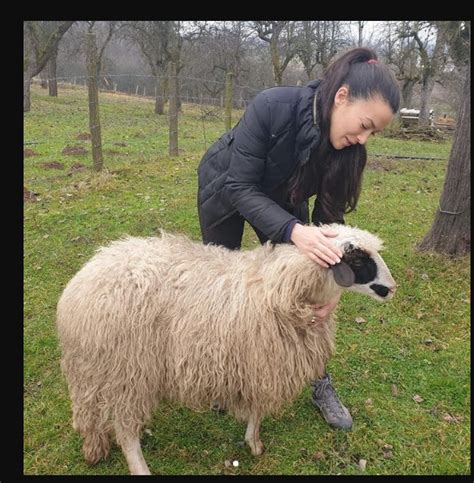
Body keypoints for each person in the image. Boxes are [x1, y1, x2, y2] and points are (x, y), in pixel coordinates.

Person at [196, 47, 400, 430]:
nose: (364, 137)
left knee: (307, 284)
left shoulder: (349, 151)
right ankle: (224, 375)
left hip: (282, 198)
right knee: (224, 293)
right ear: (341, 97)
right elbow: (241, 185)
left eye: (374, 132)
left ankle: (318, 378)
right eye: (365, 124)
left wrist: (333, 290)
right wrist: (296, 232)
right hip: (225, 191)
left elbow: (331, 230)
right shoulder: (272, 105)